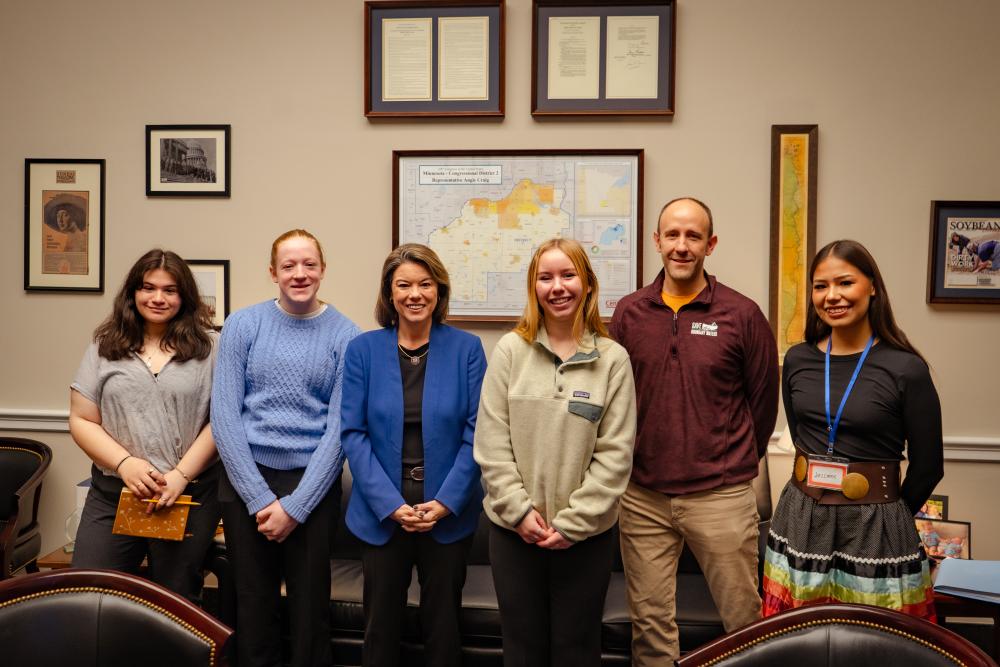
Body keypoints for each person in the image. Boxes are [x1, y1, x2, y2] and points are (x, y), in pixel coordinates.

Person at [610, 197, 779, 665]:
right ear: (657, 241)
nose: (682, 246)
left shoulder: (742, 315)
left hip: (720, 496)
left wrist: (728, 457)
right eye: (673, 235)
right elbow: (614, 398)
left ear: (711, 244)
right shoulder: (629, 313)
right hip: (642, 496)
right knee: (650, 627)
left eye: (693, 236)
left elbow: (763, 404)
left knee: (744, 623)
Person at [474, 238, 636, 667]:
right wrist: (520, 513)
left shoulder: (613, 359)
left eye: (568, 275)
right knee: (522, 651)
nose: (557, 287)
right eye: (545, 278)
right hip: (514, 535)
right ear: (534, 288)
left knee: (576, 651)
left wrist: (572, 525)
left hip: (586, 539)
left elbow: (615, 456)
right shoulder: (510, 351)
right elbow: (492, 444)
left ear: (587, 283)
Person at [762, 239, 943, 619]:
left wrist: (886, 513)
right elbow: (800, 438)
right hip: (801, 517)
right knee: (799, 637)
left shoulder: (905, 368)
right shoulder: (798, 359)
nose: (832, 296)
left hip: (875, 524)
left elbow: (929, 466)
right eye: (820, 286)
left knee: (874, 640)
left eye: (845, 283)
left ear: (872, 287)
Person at [211, 229, 360, 667]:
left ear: (323, 270)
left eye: (309, 264)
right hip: (245, 481)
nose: (300, 274)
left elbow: (339, 430)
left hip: (311, 486)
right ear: (272, 272)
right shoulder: (243, 324)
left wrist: (296, 507)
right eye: (289, 265)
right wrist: (260, 498)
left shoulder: (347, 336)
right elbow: (224, 416)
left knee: (310, 609)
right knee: (252, 607)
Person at [341, 243, 487, 667]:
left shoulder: (467, 349)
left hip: (447, 508)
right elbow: (353, 433)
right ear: (389, 294)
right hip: (381, 509)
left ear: (439, 291)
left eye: (425, 284)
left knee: (443, 630)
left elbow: (478, 432)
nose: (415, 294)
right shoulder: (363, 351)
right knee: (380, 630)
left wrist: (445, 503)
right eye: (403, 285)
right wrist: (390, 505)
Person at [69, 249, 222, 603]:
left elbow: (221, 422)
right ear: (132, 293)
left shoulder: (212, 347)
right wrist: (126, 464)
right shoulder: (104, 346)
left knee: (174, 603)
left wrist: (181, 475)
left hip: (185, 496)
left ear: (184, 296)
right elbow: (81, 419)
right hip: (115, 495)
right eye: (148, 287)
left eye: (170, 290)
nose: (157, 298)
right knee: (86, 595)